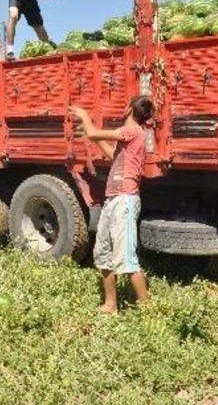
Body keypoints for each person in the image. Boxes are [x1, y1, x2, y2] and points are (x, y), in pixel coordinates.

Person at [69, 95, 155, 314]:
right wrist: (95, 138)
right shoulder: (129, 136)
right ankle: (110, 305)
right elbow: (112, 154)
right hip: (113, 200)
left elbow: (92, 132)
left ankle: (148, 312)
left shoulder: (133, 130)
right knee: (103, 254)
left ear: (129, 110)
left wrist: (84, 116)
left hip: (124, 200)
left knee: (126, 258)